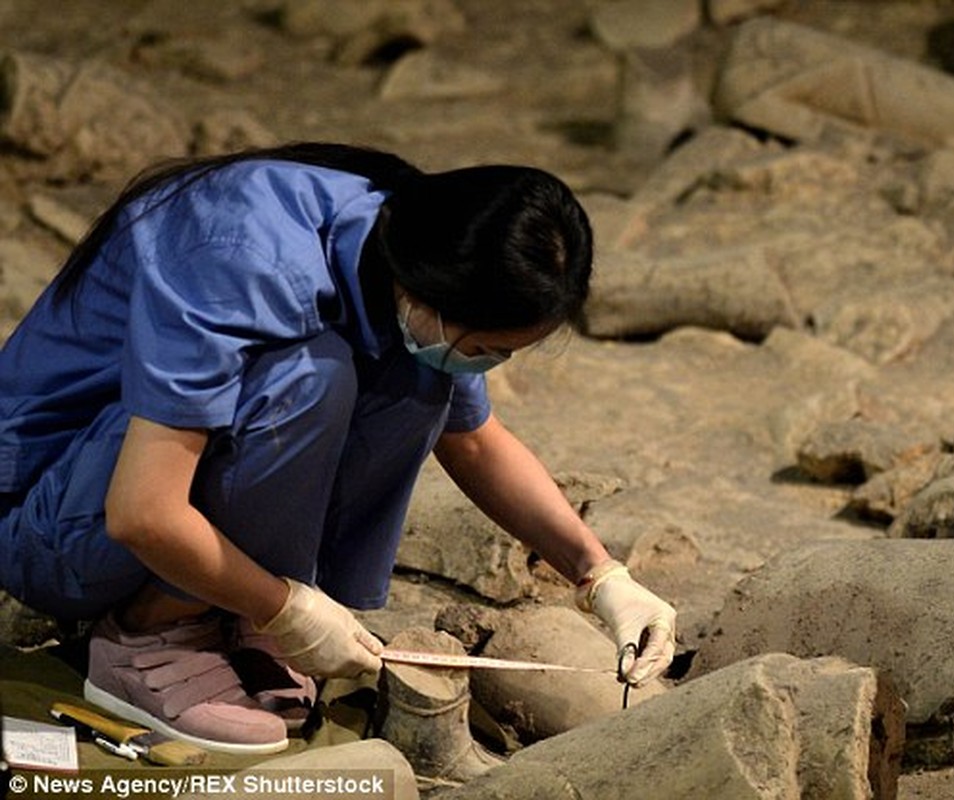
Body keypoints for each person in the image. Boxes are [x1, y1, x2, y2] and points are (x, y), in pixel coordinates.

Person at [0, 143, 676, 755]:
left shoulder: (405, 246)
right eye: (487, 349)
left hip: (133, 502)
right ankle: (149, 634)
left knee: (414, 379)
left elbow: (473, 443)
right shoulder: (241, 257)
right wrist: (284, 608)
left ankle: (228, 611)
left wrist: (600, 577)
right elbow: (141, 512)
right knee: (307, 376)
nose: (491, 365)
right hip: (50, 518)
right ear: (431, 292)